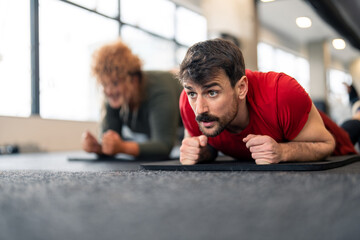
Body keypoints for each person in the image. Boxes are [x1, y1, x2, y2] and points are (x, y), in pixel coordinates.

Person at [178, 38, 357, 165]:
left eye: (212, 93)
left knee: (347, 133)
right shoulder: (189, 103)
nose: (199, 109)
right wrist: (202, 153)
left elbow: (327, 144)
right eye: (192, 93)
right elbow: (208, 145)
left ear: (241, 88)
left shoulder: (282, 93)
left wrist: (282, 151)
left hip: (311, 132)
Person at [81, 39, 182, 159]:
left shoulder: (159, 89)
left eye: (114, 83)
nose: (108, 91)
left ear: (133, 80)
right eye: (104, 84)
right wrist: (98, 148)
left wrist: (122, 147)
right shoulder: (115, 99)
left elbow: (163, 146)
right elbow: (110, 142)